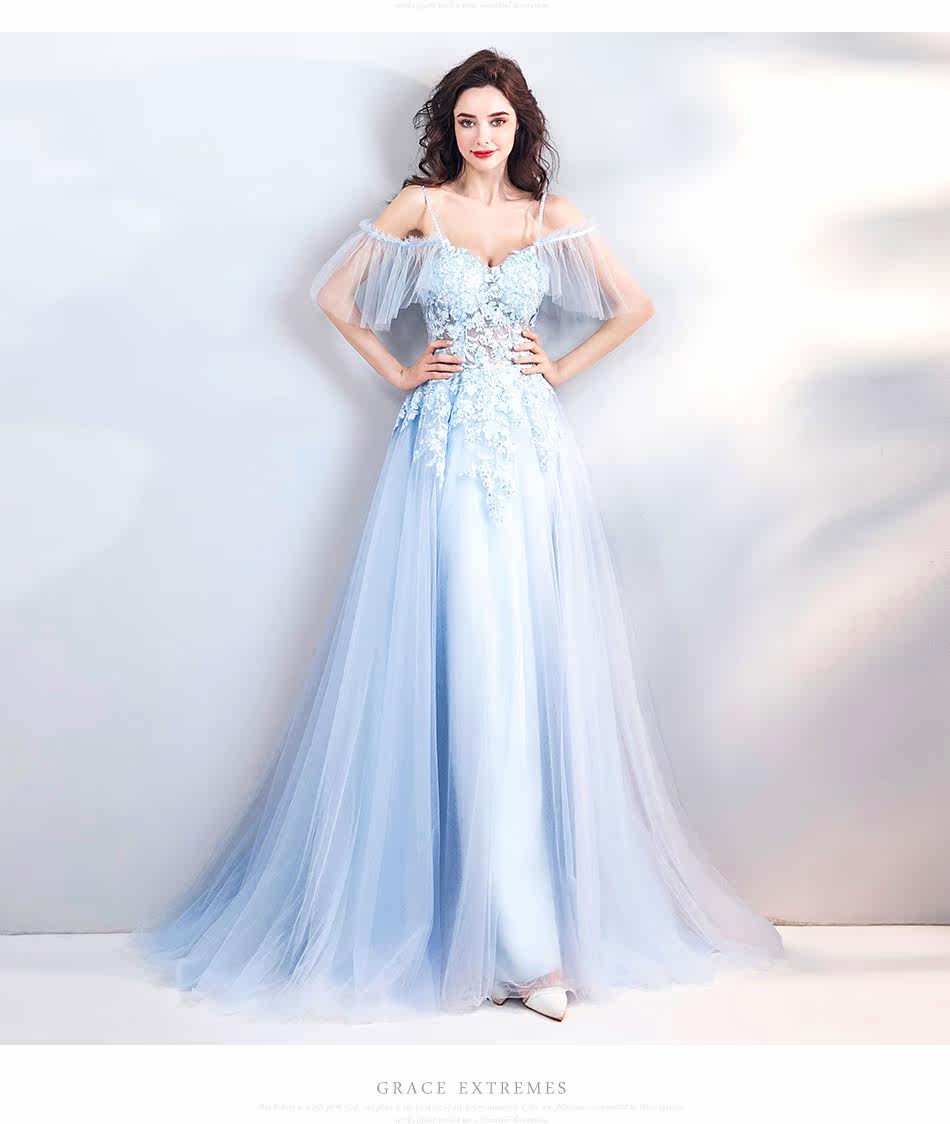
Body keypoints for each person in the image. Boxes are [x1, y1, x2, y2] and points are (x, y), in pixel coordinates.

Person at [130, 48, 786, 1025]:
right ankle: (480, 931)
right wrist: (398, 372)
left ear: (522, 128)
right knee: (460, 662)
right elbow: (330, 298)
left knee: (524, 668)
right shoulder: (420, 207)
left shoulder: (547, 218)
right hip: (437, 460)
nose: (483, 136)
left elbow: (635, 306)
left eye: (498, 121)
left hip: (527, 457)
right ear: (449, 128)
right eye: (468, 121)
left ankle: (526, 936)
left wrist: (558, 366)